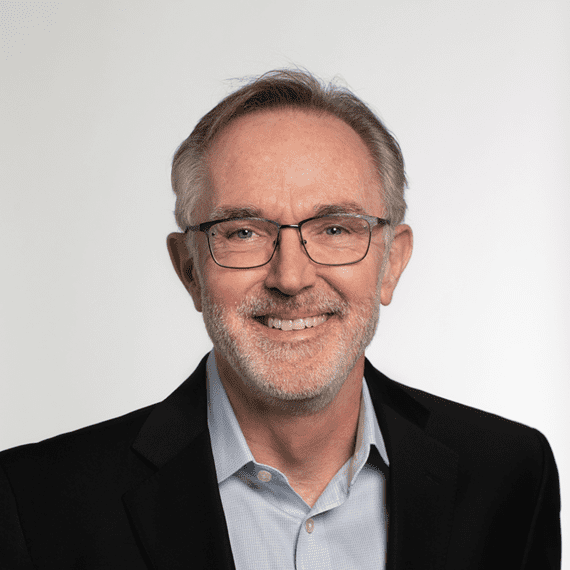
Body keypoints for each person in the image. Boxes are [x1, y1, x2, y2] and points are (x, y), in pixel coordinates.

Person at [0, 69, 560, 569]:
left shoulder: (509, 477)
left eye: (335, 229)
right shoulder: (36, 502)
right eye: (243, 232)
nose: (290, 278)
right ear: (189, 270)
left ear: (391, 263)